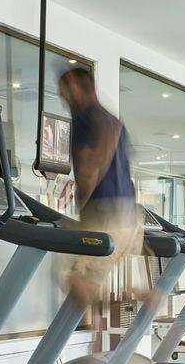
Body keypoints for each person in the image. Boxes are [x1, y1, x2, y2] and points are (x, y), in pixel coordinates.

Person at [58, 67, 143, 308]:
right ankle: (136, 298)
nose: (62, 97)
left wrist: (82, 199)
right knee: (85, 279)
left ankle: (129, 300)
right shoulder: (112, 119)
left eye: (63, 91)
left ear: (74, 86)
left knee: (68, 275)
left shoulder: (87, 117)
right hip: (126, 214)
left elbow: (90, 164)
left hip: (103, 212)